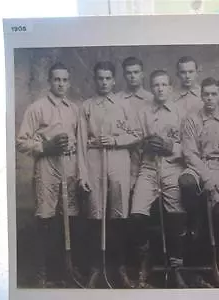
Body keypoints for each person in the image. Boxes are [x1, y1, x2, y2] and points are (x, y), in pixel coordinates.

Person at [17, 63, 80, 288]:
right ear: (49, 81)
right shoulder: (37, 108)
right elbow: (21, 141)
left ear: (69, 82)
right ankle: (42, 274)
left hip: (70, 166)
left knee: (69, 218)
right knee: (46, 218)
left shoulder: (74, 109)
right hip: (46, 166)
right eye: (56, 80)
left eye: (64, 80)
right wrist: (46, 147)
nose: (60, 84)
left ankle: (66, 270)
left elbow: (79, 141)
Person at [77, 61, 140, 288]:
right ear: (95, 80)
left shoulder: (124, 105)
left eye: (107, 78)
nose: (103, 82)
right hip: (94, 162)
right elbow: (81, 143)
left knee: (118, 217)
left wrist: (115, 140)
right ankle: (96, 268)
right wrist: (82, 174)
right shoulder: (86, 106)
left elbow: (136, 134)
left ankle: (119, 267)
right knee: (96, 216)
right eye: (100, 78)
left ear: (114, 80)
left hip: (119, 162)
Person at [130, 70, 188, 288]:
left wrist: (171, 146)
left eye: (164, 84)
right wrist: (134, 176)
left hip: (173, 168)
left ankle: (176, 267)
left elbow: (191, 148)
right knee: (137, 215)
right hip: (148, 169)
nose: (160, 89)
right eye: (156, 85)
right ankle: (145, 258)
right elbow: (135, 146)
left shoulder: (181, 112)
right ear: (151, 88)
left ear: (171, 88)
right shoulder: (143, 112)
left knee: (175, 217)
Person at [179, 77, 219, 283]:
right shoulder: (191, 120)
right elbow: (189, 154)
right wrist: (206, 176)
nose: (210, 98)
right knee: (186, 182)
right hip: (198, 166)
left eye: (214, 94)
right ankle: (194, 219)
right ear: (201, 95)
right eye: (206, 94)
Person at [117, 56, 153, 189]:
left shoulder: (151, 98)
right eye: (128, 73)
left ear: (142, 74)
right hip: (124, 152)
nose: (132, 76)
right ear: (124, 75)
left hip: (147, 154)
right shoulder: (116, 99)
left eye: (136, 72)